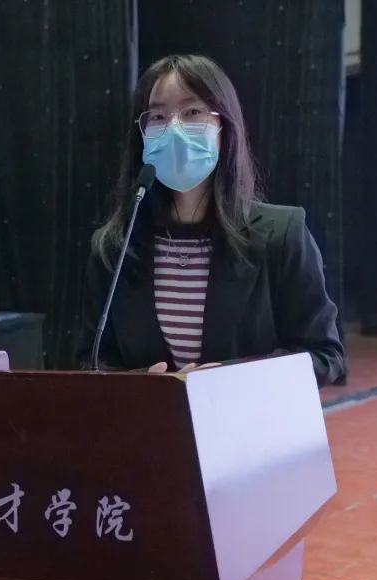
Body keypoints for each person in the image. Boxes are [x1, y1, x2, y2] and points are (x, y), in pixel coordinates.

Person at [79, 54, 346, 386]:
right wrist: (145, 385)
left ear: (225, 127)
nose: (174, 128)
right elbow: (93, 362)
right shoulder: (115, 246)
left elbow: (325, 356)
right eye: (158, 116)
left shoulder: (282, 234)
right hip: (156, 419)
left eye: (192, 112)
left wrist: (233, 379)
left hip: (248, 418)